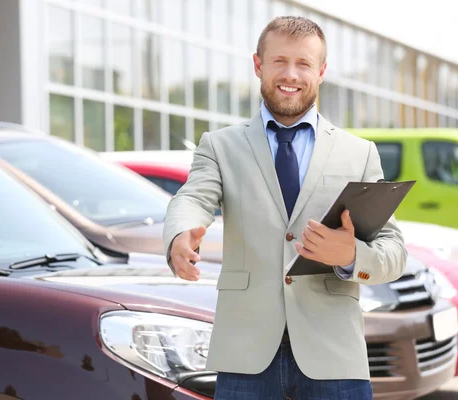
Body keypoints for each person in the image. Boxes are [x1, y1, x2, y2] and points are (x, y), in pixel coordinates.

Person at [162, 16, 407, 400]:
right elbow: (193, 197)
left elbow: (394, 251)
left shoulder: (359, 154)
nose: (290, 74)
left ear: (321, 71)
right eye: (279, 61)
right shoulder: (219, 145)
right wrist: (181, 231)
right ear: (258, 64)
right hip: (246, 352)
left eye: (304, 63)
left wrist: (350, 254)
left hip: (334, 354)